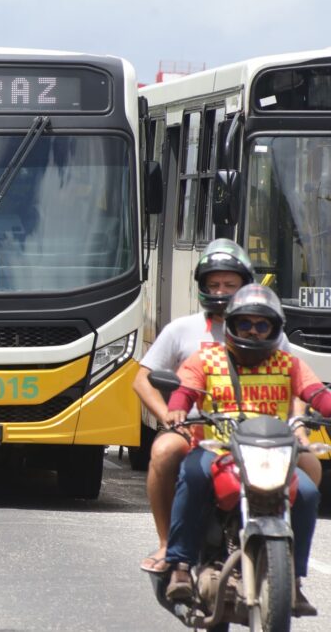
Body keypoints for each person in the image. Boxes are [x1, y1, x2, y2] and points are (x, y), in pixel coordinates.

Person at [163, 284, 331, 615]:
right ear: (232, 326)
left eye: (261, 325)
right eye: (245, 325)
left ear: (274, 329)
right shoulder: (207, 358)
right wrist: (178, 408)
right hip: (217, 449)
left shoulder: (289, 364)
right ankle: (180, 564)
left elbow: (316, 394)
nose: (253, 332)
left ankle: (293, 582)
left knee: (309, 493)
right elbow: (185, 391)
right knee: (191, 476)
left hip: (272, 453)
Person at [135, 239, 256, 572]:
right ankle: (166, 543)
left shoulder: (265, 329)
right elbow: (141, 379)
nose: (221, 291)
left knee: (305, 468)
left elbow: (296, 380)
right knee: (162, 453)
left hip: (256, 435)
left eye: (230, 285)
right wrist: (169, 418)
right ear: (202, 287)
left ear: (246, 286)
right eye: (214, 284)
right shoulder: (181, 330)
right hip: (197, 429)